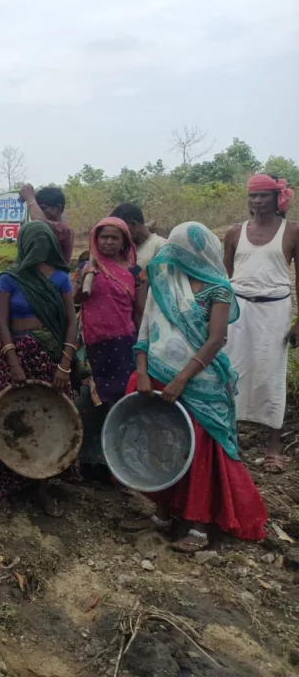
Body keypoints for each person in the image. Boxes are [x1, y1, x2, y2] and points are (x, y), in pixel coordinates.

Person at [126, 222, 267, 551]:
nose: (176, 256)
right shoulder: (163, 281)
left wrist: (182, 378)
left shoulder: (218, 288)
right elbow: (145, 329)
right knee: (162, 445)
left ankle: (198, 524)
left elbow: (216, 340)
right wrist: (143, 371)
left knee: (197, 451)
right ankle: (162, 513)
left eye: (183, 250)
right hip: (158, 377)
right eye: (173, 250)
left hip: (199, 384)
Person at [0, 221, 78, 516]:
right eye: (32, 242)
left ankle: (41, 488)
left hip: (50, 358)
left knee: (48, 423)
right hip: (15, 355)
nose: (37, 249)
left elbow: (72, 322)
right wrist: (12, 361)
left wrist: (65, 365)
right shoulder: (10, 278)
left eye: (43, 242)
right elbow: (2, 322)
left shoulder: (60, 279)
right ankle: (0, 490)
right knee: (0, 417)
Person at [223, 174, 299, 474]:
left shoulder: (291, 232)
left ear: (277, 198)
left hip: (275, 310)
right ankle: (230, 440)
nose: (257, 201)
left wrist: (298, 319)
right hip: (238, 310)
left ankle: (273, 445)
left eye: (264, 196)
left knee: (271, 372)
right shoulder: (234, 232)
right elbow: (223, 277)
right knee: (232, 370)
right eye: (253, 196)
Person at [73, 217, 145, 476]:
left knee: (120, 400)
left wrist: (142, 347)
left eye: (115, 237)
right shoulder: (86, 266)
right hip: (92, 344)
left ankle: (113, 462)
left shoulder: (136, 272)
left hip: (124, 344)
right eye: (104, 236)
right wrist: (85, 280)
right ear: (95, 238)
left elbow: (139, 312)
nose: (108, 242)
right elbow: (75, 301)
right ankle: (87, 461)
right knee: (91, 400)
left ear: (124, 241)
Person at [19, 184, 75, 265]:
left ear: (58, 209)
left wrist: (30, 199)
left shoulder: (64, 230)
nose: (39, 212)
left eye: (43, 208)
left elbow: (40, 223)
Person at [111, 203, 166, 271]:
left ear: (134, 224)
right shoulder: (123, 249)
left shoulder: (161, 246)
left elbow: (164, 279)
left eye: (122, 229)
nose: (120, 234)